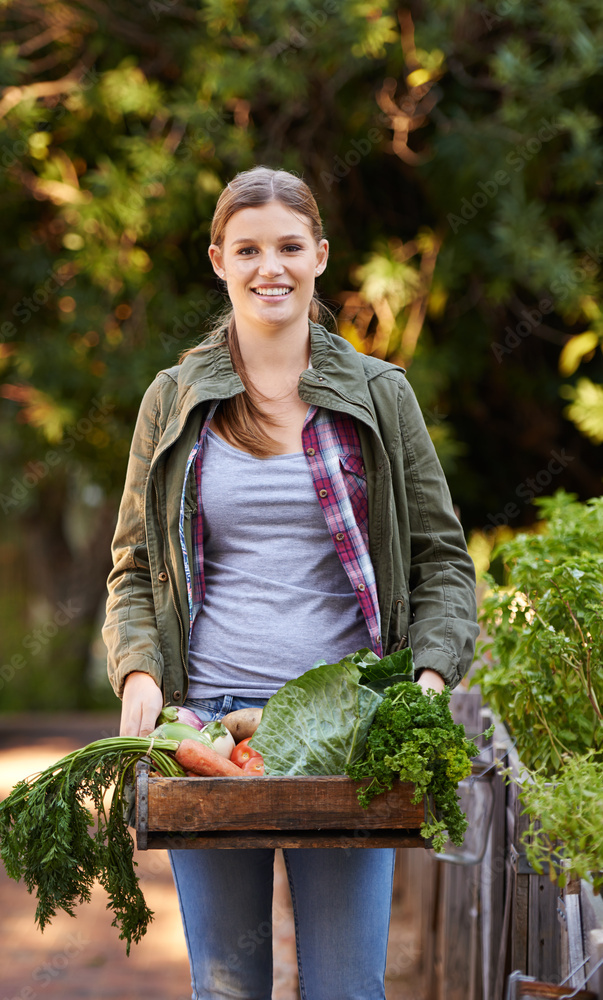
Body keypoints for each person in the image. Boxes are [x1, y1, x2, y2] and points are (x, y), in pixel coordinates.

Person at [103, 165, 479, 999]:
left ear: (318, 257)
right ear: (218, 260)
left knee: (346, 987)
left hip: (348, 721)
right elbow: (133, 565)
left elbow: (442, 560)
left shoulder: (381, 396)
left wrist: (426, 675)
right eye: (247, 249)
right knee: (228, 986)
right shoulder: (174, 400)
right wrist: (137, 671)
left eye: (286, 247)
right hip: (209, 728)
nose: (267, 266)